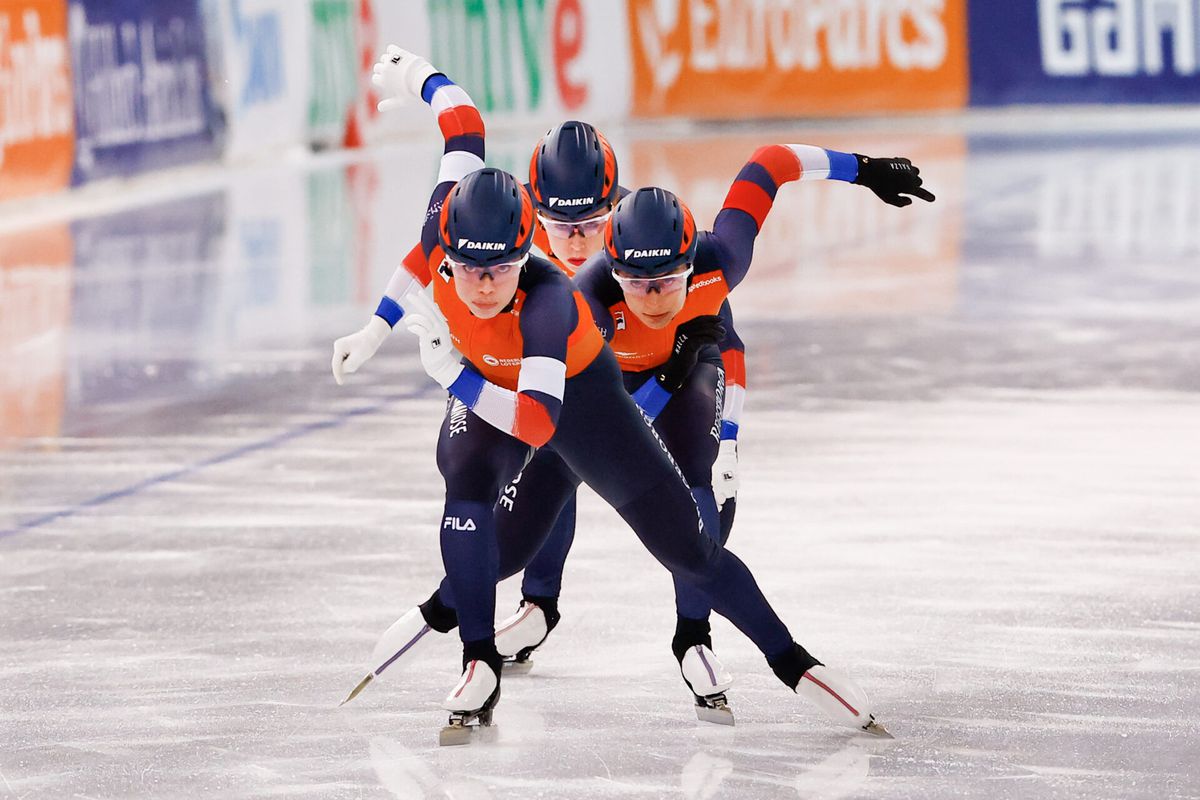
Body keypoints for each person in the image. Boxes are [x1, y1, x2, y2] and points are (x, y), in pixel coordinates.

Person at [334, 47, 930, 741]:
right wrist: (379, 329)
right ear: (527, 223)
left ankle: (713, 639)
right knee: (491, 503)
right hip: (554, 386)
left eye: (592, 224)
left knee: (691, 512)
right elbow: (454, 149)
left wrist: (864, 171)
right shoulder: (512, 251)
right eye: (471, 266)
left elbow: (767, 169)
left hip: (601, 387)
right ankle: (486, 638)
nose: (579, 241)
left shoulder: (625, 283)